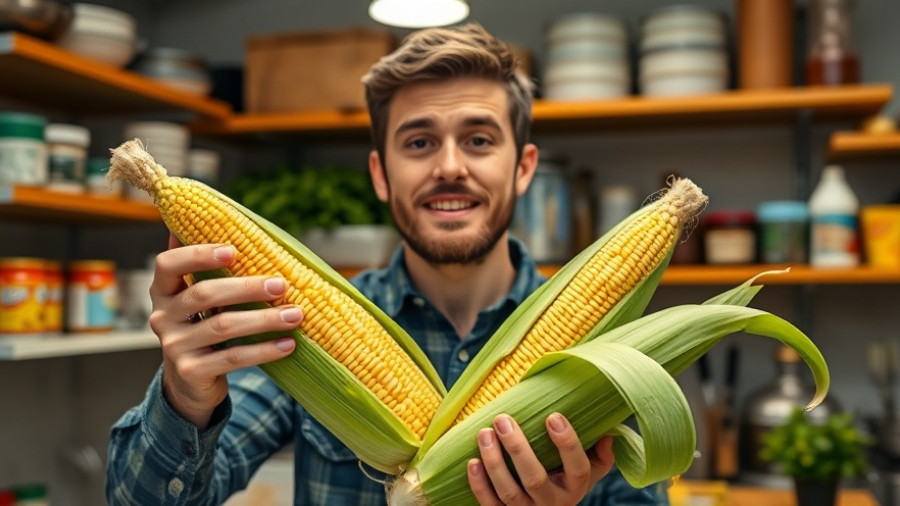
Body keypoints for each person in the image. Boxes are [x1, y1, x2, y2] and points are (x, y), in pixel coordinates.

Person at [106, 23, 669, 506]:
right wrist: (185, 396)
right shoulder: (287, 324)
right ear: (380, 173)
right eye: (419, 142)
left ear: (522, 168)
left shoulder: (604, 357)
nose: (450, 167)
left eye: (478, 139)